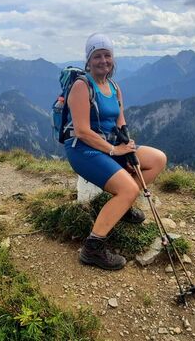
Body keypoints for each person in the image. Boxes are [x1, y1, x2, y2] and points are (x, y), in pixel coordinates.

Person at [65, 33, 167, 271]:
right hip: (84, 151)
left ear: (113, 58)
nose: (103, 61)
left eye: (107, 55)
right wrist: (114, 150)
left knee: (157, 159)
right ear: (88, 60)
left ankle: (121, 205)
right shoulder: (81, 86)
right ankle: (92, 248)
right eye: (97, 56)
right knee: (129, 188)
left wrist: (127, 145)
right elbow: (81, 131)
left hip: (112, 146)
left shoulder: (113, 86)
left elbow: (120, 121)